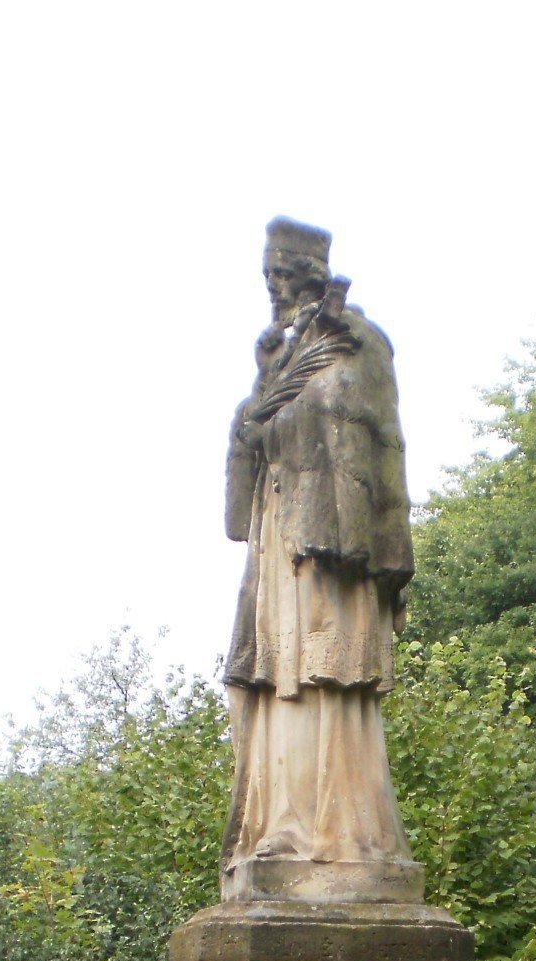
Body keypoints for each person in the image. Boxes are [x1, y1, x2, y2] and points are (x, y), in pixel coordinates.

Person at [220, 217, 420, 903]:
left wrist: (389, 555)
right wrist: (250, 418)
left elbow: (384, 454)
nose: (277, 291)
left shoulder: (358, 344)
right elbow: (239, 499)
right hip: (278, 549)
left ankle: (341, 835)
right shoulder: (275, 361)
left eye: (286, 276)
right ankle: (281, 827)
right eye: (270, 279)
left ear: (308, 274)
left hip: (337, 548)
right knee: (279, 676)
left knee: (327, 672)